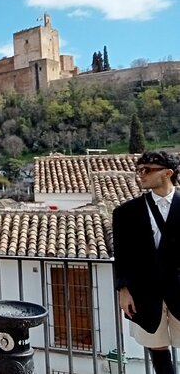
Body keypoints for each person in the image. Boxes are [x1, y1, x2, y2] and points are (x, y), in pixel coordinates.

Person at [113, 151, 180, 374]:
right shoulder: (125, 213)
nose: (140, 175)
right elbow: (123, 255)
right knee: (157, 347)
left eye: (147, 170)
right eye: (138, 170)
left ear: (168, 173)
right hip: (145, 292)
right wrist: (123, 290)